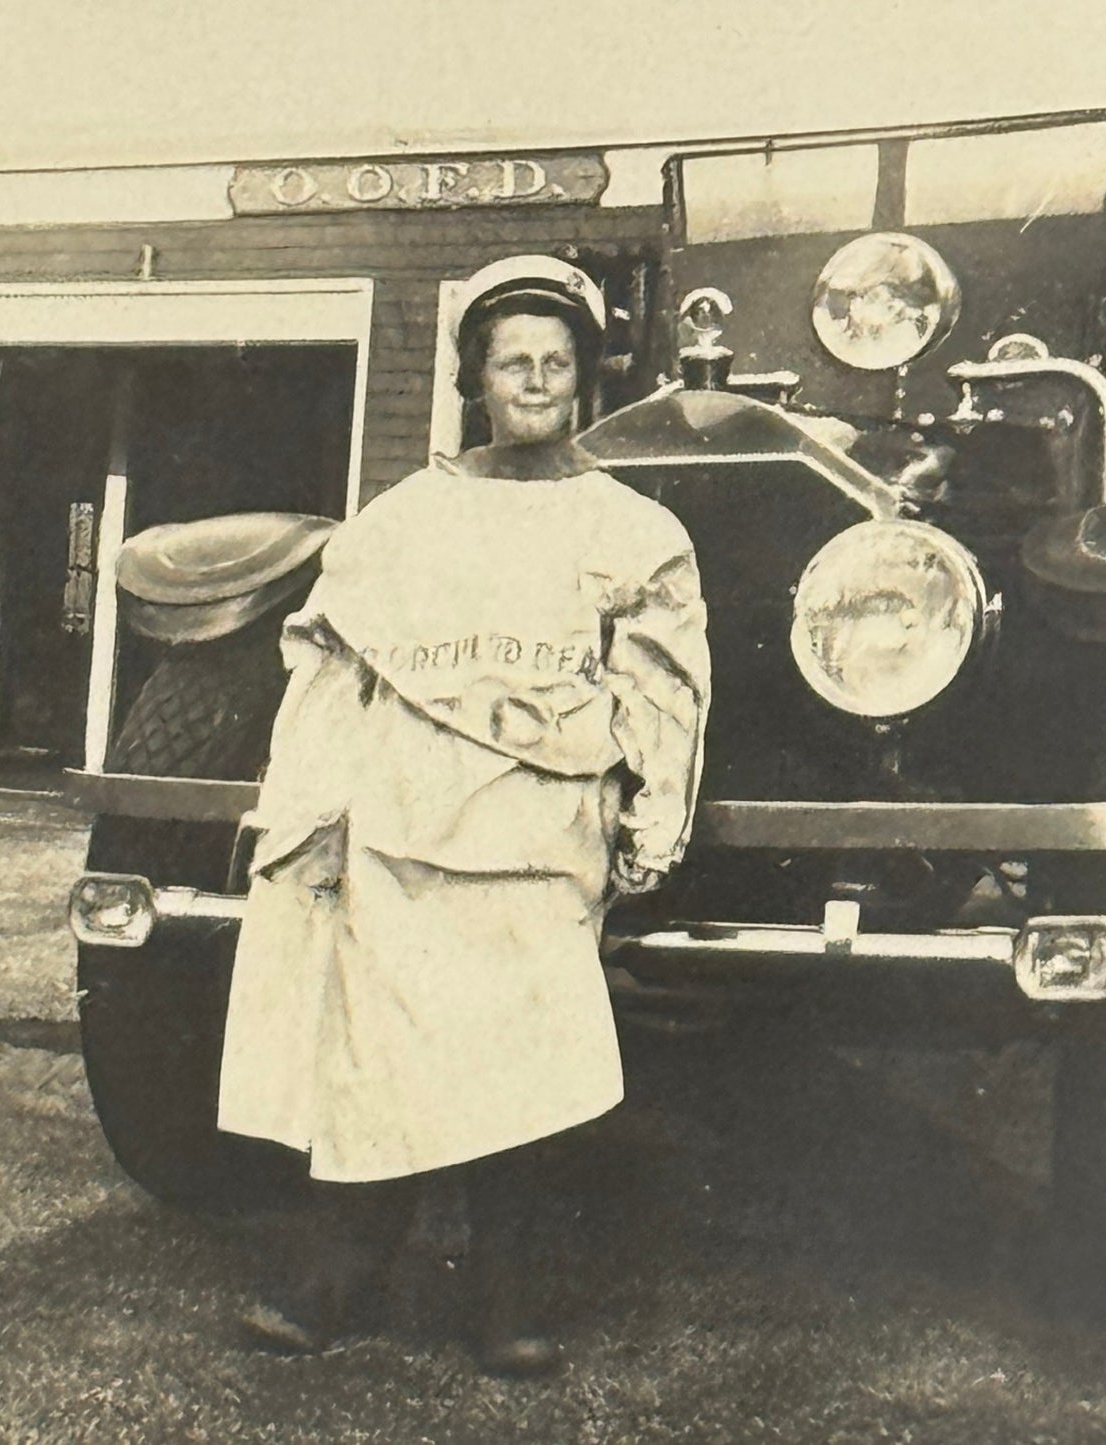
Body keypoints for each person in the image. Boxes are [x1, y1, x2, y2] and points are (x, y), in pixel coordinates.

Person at [215, 254, 711, 1374]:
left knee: (527, 1069)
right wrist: (308, 810)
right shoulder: (404, 518)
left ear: (583, 378)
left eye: (555, 362)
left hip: (537, 837)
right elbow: (332, 670)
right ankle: (336, 1275)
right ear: (474, 379)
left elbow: (663, 688)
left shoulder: (633, 528)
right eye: (510, 362)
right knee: (378, 1051)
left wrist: (652, 819)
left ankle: (505, 1298)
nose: (533, 382)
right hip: (402, 826)